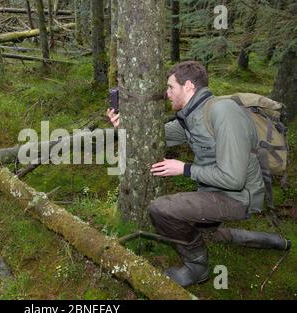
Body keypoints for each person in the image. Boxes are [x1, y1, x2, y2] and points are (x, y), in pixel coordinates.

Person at [107, 61, 264, 287]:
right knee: (196, 224)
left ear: (188, 86)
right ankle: (224, 235)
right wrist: (122, 126)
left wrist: (184, 169)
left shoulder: (223, 111)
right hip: (214, 191)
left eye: (171, 87)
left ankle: (196, 268)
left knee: (162, 209)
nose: (167, 93)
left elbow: (234, 179)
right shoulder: (191, 117)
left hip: (238, 197)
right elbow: (153, 137)